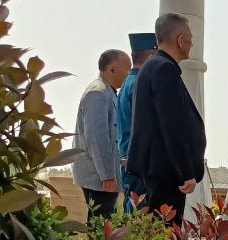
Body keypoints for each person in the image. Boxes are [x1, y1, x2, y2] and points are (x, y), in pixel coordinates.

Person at [126, 12, 207, 223]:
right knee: (166, 234)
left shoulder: (152, 67)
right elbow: (172, 126)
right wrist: (185, 172)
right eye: (190, 39)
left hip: (156, 170)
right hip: (165, 173)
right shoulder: (164, 69)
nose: (191, 44)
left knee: (156, 233)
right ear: (180, 40)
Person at [73, 48, 129, 223]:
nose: (129, 73)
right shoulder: (98, 93)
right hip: (97, 176)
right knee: (101, 225)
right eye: (127, 68)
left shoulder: (107, 92)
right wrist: (108, 176)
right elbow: (97, 139)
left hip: (103, 174)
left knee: (104, 223)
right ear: (112, 69)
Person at [117, 32, 156, 213]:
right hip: (140, 165)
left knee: (132, 215)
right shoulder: (140, 84)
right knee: (140, 219)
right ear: (151, 56)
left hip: (130, 161)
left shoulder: (129, 82)